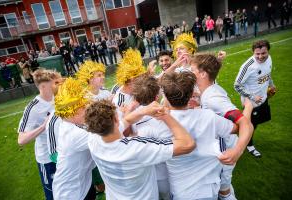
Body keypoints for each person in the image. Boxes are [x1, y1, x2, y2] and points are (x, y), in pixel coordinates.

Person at [141, 71, 249, 199]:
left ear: (165, 96)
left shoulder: (156, 124)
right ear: (192, 94)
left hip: (181, 191)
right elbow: (238, 127)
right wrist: (248, 108)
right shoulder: (209, 117)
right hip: (209, 189)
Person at [85, 98, 195, 200]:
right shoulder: (136, 147)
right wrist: (165, 116)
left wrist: (144, 111)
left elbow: (126, 121)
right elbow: (187, 144)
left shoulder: (93, 140)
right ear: (116, 119)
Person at [189, 53, 254, 200]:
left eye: (192, 70)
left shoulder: (213, 99)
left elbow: (245, 124)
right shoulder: (209, 90)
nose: (189, 72)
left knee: (223, 192)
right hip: (221, 149)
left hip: (225, 153)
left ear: (203, 74)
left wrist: (237, 150)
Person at [17, 69, 62, 200]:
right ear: (43, 86)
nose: (58, 86)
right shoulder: (33, 108)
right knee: (53, 194)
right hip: (47, 160)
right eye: (55, 83)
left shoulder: (58, 97)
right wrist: (43, 126)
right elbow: (21, 139)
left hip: (63, 153)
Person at [52, 77, 96, 200]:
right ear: (71, 112)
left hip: (84, 184)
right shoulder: (73, 134)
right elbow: (107, 137)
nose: (87, 109)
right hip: (71, 194)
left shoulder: (72, 124)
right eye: (83, 107)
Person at [234, 40, 276, 157]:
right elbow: (236, 85)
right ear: (253, 52)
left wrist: (271, 84)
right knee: (249, 125)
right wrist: (252, 96)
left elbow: (268, 73)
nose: (260, 56)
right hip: (251, 102)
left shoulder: (269, 59)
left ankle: (243, 137)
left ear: (268, 51)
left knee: (256, 123)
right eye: (257, 54)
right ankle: (249, 145)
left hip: (263, 97)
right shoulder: (248, 66)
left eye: (263, 53)